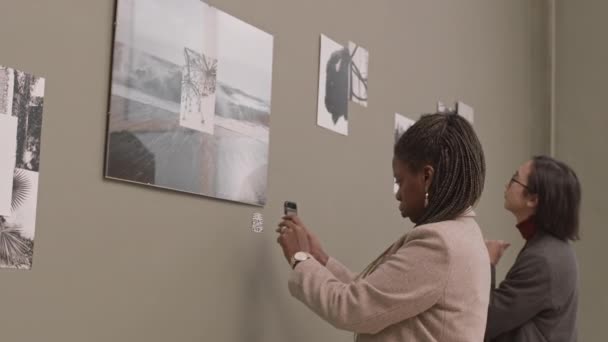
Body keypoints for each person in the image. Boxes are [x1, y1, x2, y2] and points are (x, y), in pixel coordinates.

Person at [277, 113, 491, 341]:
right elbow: (378, 297)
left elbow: (352, 308)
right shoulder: (464, 233)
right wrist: (321, 260)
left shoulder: (440, 245)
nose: (398, 194)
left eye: (400, 181)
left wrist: (300, 259)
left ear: (427, 177)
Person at [484, 156, 581, 341]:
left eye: (515, 178)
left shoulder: (544, 259)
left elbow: (486, 319)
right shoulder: (555, 249)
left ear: (533, 199)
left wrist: (487, 263)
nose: (507, 184)